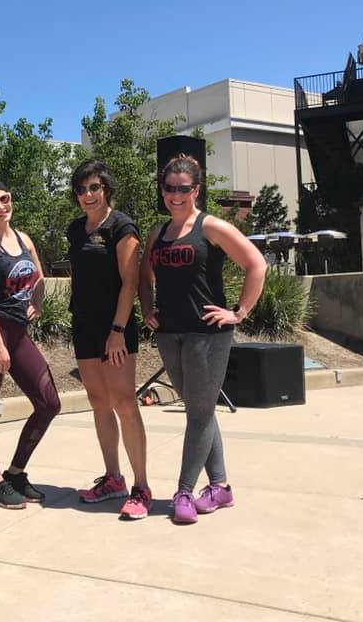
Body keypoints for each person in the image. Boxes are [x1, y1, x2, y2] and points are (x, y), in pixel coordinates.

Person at [139, 154, 266, 525]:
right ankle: (221, 487)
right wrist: (147, 308)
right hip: (169, 333)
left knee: (198, 413)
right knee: (202, 411)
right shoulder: (158, 233)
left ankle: (183, 491)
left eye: (183, 189)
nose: (175, 195)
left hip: (207, 335)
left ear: (196, 190)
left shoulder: (211, 227)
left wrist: (239, 312)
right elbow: (144, 275)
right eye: (169, 188)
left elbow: (256, 264)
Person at [0, 176, 61, 509]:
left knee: (49, 404)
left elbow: (39, 276)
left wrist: (38, 302)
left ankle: (15, 472)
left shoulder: (23, 238)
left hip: (17, 334)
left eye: (4, 198)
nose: (1, 206)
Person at [66, 160, 152, 520]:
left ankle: (141, 487)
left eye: (94, 187)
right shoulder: (76, 229)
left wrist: (117, 331)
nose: (88, 195)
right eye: (81, 189)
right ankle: (113, 479)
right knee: (98, 401)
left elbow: (130, 282)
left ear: (107, 189)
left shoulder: (122, 227)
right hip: (84, 325)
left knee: (124, 403)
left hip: (115, 327)